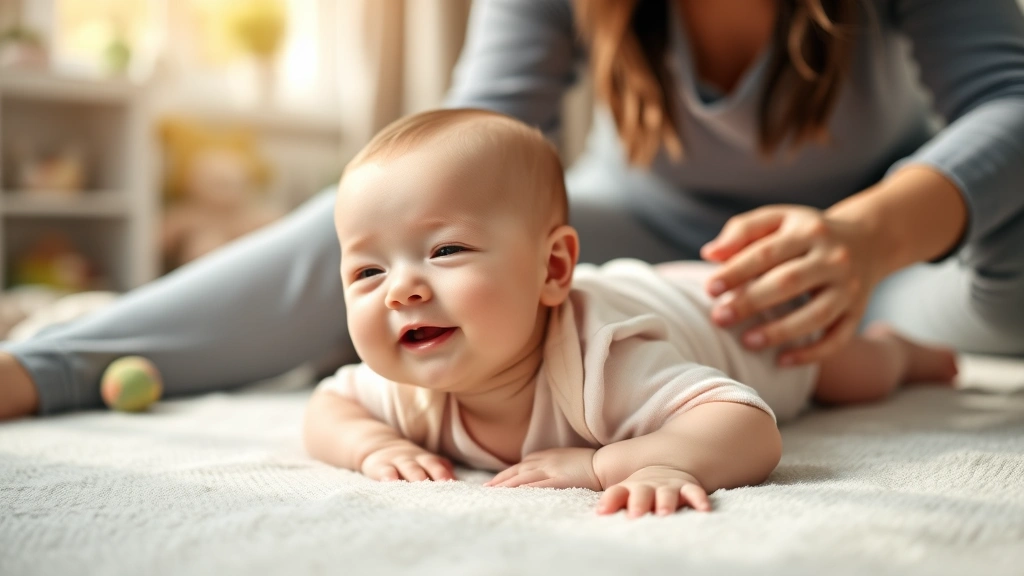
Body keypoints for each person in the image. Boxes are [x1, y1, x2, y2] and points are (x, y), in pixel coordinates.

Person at [1, 0, 1022, 420]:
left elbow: (1008, 102)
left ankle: (885, 348)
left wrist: (863, 236)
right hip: (632, 229)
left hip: (883, 257)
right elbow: (461, 150)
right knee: (404, 222)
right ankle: (48, 362)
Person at [303, 108, 957, 516]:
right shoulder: (407, 386)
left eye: (444, 250)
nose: (401, 291)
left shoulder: (605, 359)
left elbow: (748, 428)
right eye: (367, 270)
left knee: (855, 373)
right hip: (647, 286)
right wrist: (373, 446)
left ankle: (903, 348)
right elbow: (327, 408)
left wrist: (609, 465)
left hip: (740, 318)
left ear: (552, 270)